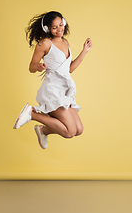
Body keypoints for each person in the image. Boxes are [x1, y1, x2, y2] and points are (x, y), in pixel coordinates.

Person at [13, 11, 92, 149]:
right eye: (54, 27)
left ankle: (43, 130)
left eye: (61, 25)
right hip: (53, 90)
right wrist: (38, 67)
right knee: (69, 132)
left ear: (64, 23)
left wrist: (84, 50)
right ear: (47, 29)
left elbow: (69, 69)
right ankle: (32, 114)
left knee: (78, 130)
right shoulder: (44, 43)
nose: (59, 29)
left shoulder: (65, 42)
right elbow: (31, 67)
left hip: (65, 89)